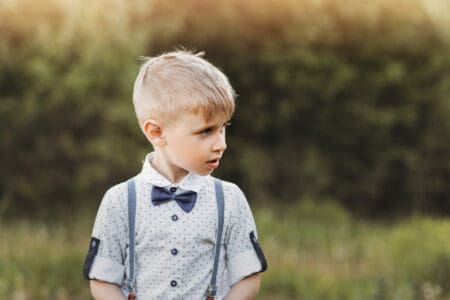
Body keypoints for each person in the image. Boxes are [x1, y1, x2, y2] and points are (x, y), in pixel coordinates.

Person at [83, 50, 267, 299]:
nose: (220, 143)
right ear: (157, 133)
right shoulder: (118, 201)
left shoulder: (230, 199)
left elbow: (248, 277)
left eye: (223, 128)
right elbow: (103, 281)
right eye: (205, 131)